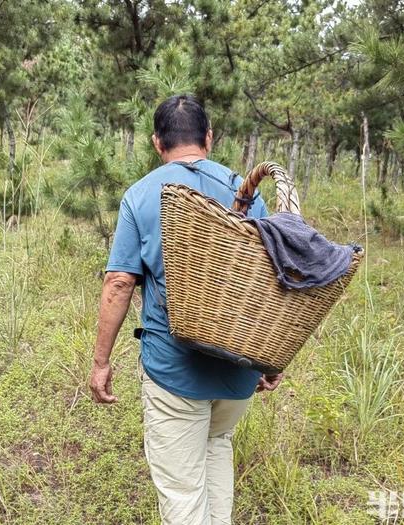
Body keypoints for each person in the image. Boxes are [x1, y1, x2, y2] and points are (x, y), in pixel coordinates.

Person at [89, 94, 283, 525]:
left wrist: (101, 362)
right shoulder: (246, 192)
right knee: (216, 446)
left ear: (157, 144)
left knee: (182, 489)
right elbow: (272, 282)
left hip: (174, 368)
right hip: (239, 366)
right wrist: (272, 361)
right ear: (209, 139)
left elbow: (119, 283)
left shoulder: (141, 196)